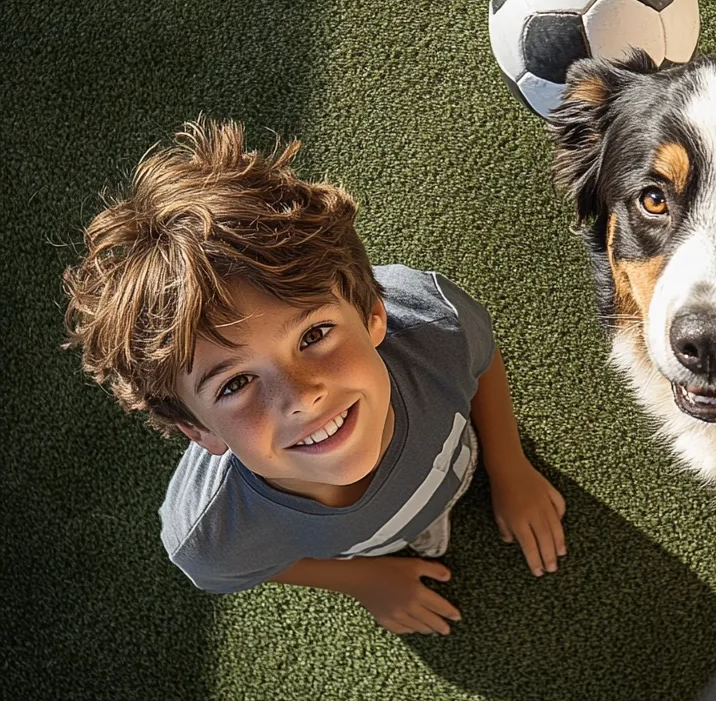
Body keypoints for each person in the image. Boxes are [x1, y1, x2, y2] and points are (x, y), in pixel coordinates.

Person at [63, 119, 566, 636]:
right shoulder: (212, 533)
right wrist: (363, 580)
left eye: (313, 334)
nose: (301, 397)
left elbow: (481, 363)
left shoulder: (435, 325)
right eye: (234, 385)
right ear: (200, 431)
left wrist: (510, 469)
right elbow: (229, 568)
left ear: (374, 314)